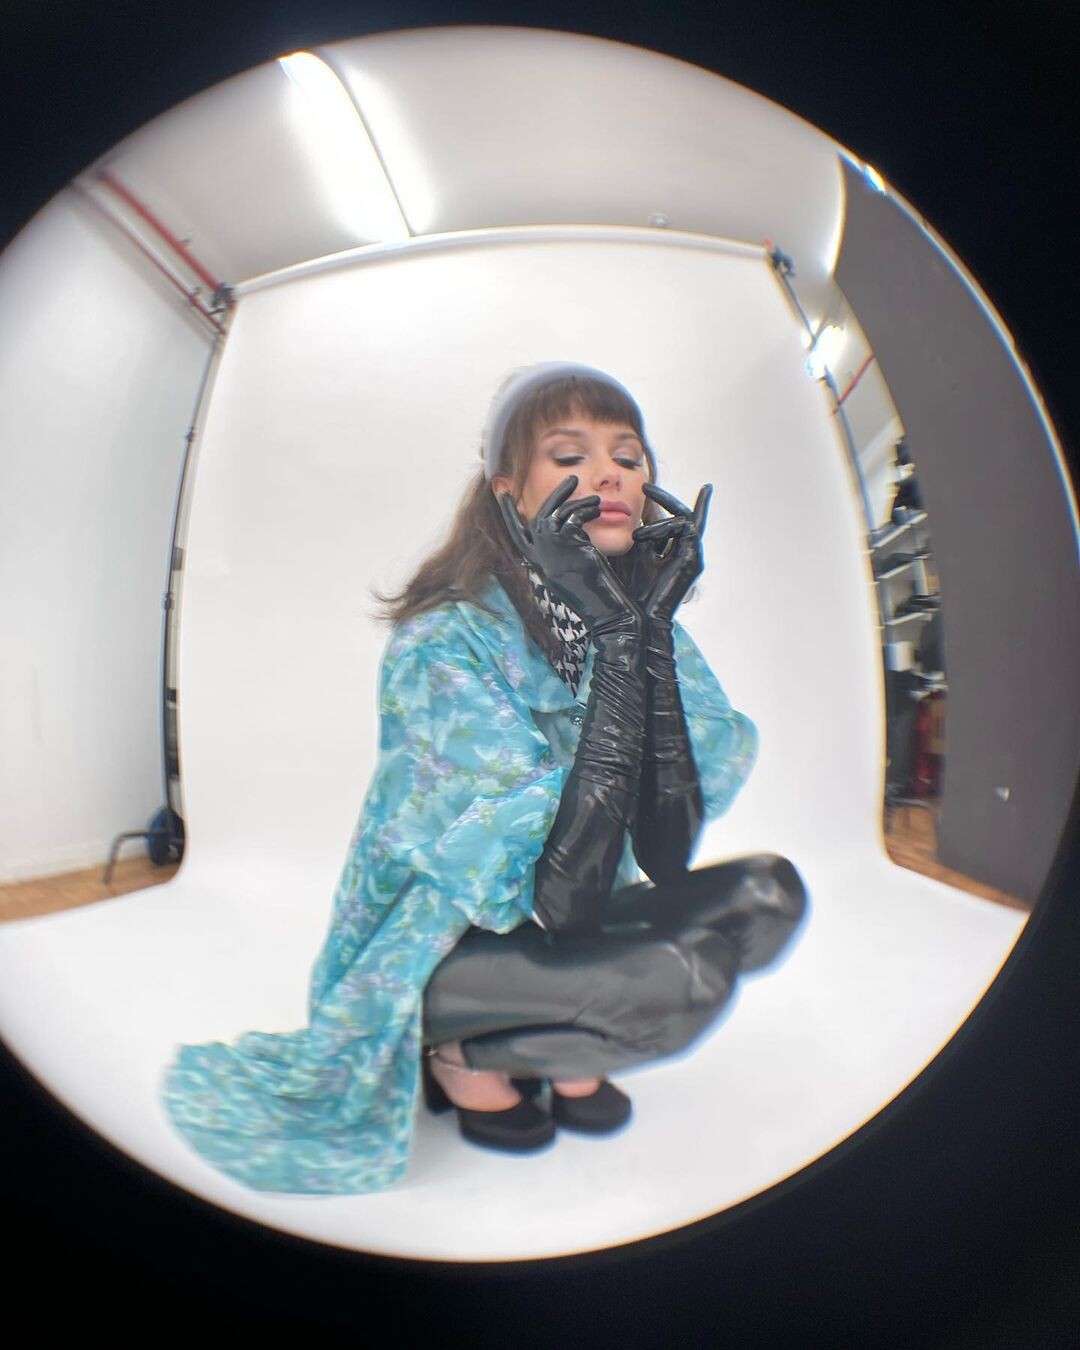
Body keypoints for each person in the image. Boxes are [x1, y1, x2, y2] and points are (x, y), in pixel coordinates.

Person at [162, 362, 807, 1194]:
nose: (610, 473)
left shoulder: (639, 625)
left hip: (571, 921)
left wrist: (643, 631)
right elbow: (552, 896)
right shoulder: (444, 643)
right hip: (446, 941)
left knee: (767, 895)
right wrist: (620, 645)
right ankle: (459, 1053)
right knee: (685, 982)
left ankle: (556, 1033)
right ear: (510, 493)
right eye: (570, 456)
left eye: (629, 456)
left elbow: (665, 852)